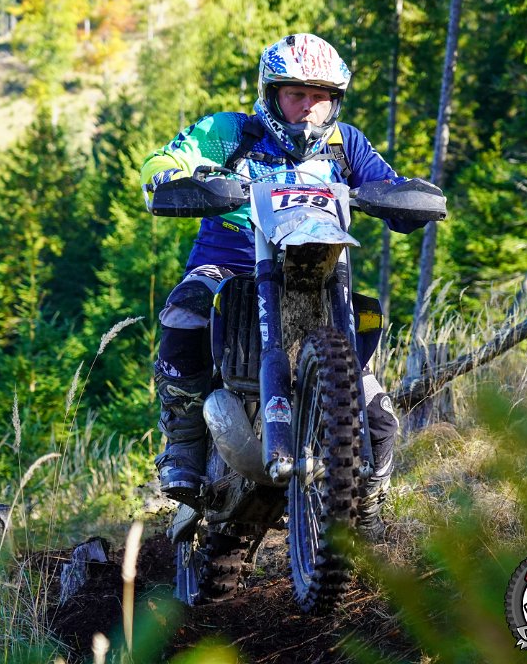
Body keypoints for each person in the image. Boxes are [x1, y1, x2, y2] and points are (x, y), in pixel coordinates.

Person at [140, 33, 428, 539]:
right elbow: (161, 163)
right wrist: (189, 177)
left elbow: (389, 183)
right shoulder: (232, 132)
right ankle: (183, 442)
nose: (309, 108)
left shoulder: (346, 144)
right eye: (297, 94)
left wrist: (408, 197)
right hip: (231, 263)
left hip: (317, 274)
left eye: (321, 97)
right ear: (271, 94)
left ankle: (366, 503)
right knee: (187, 308)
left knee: (380, 416)